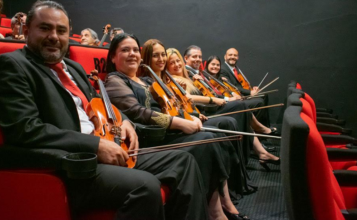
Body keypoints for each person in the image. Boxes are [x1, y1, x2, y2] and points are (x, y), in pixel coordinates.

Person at [0, 1, 209, 220]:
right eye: (45, 28)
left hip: (104, 146)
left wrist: (124, 122)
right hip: (72, 162)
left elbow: (99, 103)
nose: (54, 36)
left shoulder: (73, 67)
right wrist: (95, 145)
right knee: (145, 186)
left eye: (61, 30)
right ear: (26, 30)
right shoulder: (11, 65)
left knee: (184, 161)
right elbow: (25, 130)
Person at [105, 37, 250, 220]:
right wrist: (179, 123)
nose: (132, 54)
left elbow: (170, 105)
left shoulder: (146, 81)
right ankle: (215, 211)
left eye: (135, 49)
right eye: (126, 50)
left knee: (212, 137)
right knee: (206, 141)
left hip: (167, 131)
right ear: (112, 57)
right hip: (151, 137)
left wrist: (189, 115)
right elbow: (136, 111)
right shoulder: (115, 80)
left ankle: (218, 207)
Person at [167, 47, 280, 170]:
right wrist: (220, 99)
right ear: (186, 58)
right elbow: (190, 98)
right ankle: (260, 136)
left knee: (241, 108)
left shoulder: (193, 74)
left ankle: (261, 150)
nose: (198, 59)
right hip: (204, 110)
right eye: (194, 56)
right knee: (240, 106)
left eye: (199, 56)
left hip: (208, 107)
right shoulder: (184, 76)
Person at [205, 55, 273, 132]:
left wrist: (233, 93)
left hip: (231, 101)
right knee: (256, 103)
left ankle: (255, 128)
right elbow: (215, 95)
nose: (215, 67)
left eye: (218, 65)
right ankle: (254, 128)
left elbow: (228, 89)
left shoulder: (220, 78)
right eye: (213, 64)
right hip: (222, 104)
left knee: (259, 100)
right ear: (207, 65)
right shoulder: (205, 79)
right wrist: (230, 98)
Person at [219, 48, 271, 127]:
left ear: (238, 57)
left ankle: (265, 125)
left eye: (235, 55)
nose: (232, 57)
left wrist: (252, 89)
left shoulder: (235, 68)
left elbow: (242, 84)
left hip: (242, 94)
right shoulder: (223, 69)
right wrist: (250, 93)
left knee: (264, 95)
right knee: (259, 102)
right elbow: (232, 87)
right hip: (237, 97)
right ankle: (255, 127)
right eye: (230, 55)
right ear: (225, 57)